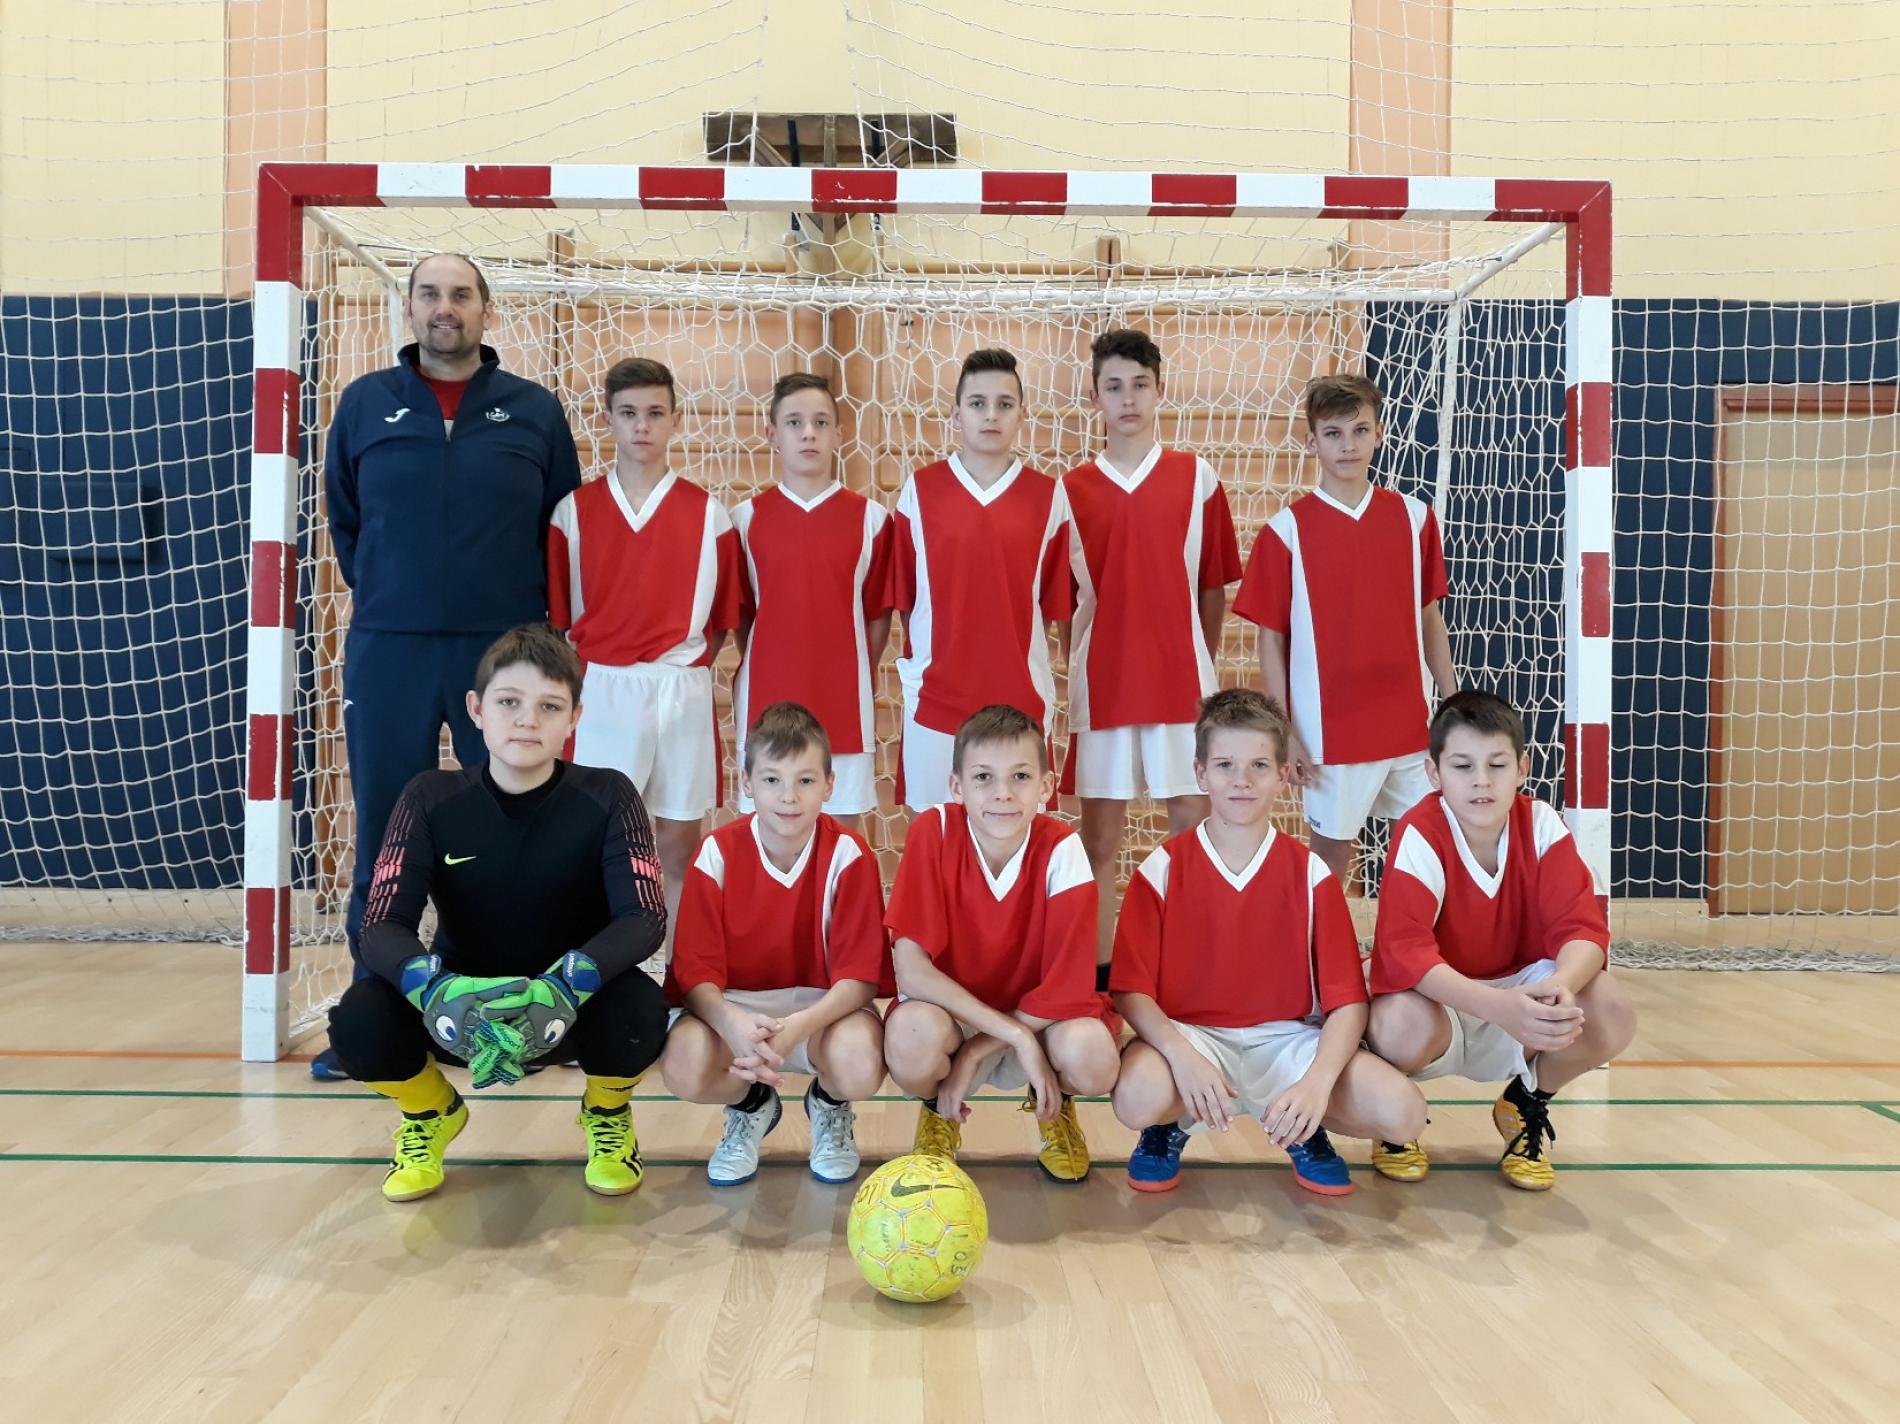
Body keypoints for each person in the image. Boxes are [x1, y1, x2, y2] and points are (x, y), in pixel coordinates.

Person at [317, 253, 582, 1079]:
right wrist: (395, 595)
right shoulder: (365, 403)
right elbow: (346, 520)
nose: (445, 308)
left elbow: (560, 528)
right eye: (429, 294)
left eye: (460, 295)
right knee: (387, 831)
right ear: (409, 308)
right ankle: (377, 1021)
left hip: (501, 655)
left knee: (518, 829)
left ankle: (526, 1016)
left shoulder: (533, 410)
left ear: (486, 311)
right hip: (390, 647)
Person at [324, 623, 669, 1202]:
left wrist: (566, 984)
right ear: (476, 710)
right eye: (509, 702)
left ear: (574, 719)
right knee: (359, 1021)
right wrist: (434, 989)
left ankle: (607, 1114)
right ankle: (431, 1112)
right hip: (461, 1008)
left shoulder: (609, 795)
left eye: (549, 706)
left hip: (568, 1006)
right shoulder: (429, 797)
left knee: (642, 1010)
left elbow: (644, 918)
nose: (527, 720)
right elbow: (380, 925)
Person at [1110, 689, 1427, 1196]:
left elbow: (1348, 1003)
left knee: (1404, 1113)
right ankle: (1169, 1124)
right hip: (1194, 1038)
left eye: (1259, 765)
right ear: (1200, 773)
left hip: (1288, 1043)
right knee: (1136, 1097)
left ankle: (1304, 1125)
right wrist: (1180, 1055)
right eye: (1226, 765)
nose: (1242, 780)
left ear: (1282, 775)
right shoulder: (1162, 869)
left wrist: (1317, 1084)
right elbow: (1130, 990)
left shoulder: (1311, 873)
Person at [1365, 690, 1637, 1190]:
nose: (1481, 781)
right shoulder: (1421, 831)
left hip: (1520, 992)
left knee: (1610, 1007)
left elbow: (1583, 930)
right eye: (1463, 766)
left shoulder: (1542, 824)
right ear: (1433, 773)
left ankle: (1526, 1102)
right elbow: (1405, 951)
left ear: (1522, 768)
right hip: (1442, 999)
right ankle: (1393, 1121)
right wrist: (1499, 1007)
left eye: (1497, 765)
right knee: (1399, 1024)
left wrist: (1560, 986)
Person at [1060, 329, 1243, 976]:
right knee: (1099, 839)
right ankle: (1100, 974)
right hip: (1104, 686)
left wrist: (1198, 664)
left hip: (1179, 682)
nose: (1128, 398)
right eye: (1113, 387)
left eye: (1140, 385)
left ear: (1160, 390)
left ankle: (1188, 968)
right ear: (1094, 397)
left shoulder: (1198, 479)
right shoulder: (1069, 490)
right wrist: (1085, 663)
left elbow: (1213, 587)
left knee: (1193, 828)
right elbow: (1061, 604)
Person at [548, 357, 741, 953]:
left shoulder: (709, 514)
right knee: (592, 843)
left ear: (676, 420)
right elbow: (560, 621)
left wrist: (678, 662)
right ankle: (588, 976)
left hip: (680, 688)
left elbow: (724, 621)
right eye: (628, 413)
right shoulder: (572, 512)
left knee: (679, 842)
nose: (642, 426)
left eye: (655, 413)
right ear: (608, 419)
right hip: (603, 690)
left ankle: (680, 977)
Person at [1232, 373, 1457, 886]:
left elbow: (1429, 617)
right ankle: (1325, 941)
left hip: (1409, 726)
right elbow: (1271, 639)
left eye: (1359, 431)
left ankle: (1412, 939)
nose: (1348, 445)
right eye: (1333, 433)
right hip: (1328, 734)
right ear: (1312, 442)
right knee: (1330, 862)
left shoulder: (1415, 518)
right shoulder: (1285, 531)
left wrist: (1452, 702)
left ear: (1379, 434)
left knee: (1424, 854)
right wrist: (1284, 730)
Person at [883, 704, 1120, 1184]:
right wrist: (1008, 1036)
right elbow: (911, 971)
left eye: (1020, 777)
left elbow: (1068, 986)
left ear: (1046, 786)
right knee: (910, 1039)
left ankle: (1055, 1104)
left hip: (1040, 1022)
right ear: (957, 787)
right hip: (956, 1018)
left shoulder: (1063, 849)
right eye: (983, 777)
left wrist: (986, 1048)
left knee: (1093, 1057)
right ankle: (938, 1110)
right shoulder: (934, 831)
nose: (1003, 794)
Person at [658, 703, 890, 1186]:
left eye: (805, 780)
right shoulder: (717, 852)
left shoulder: (850, 854)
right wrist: (733, 1023)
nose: (788, 796)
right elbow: (694, 973)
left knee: (860, 1061)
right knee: (683, 1064)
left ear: (829, 785)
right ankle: (751, 1106)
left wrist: (795, 1028)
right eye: (771, 780)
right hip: (737, 1010)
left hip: (821, 1011)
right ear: (746, 783)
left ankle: (829, 1104)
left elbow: (860, 979)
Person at [886, 348, 1072, 810]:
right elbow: (907, 601)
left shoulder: (1049, 496)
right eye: (977, 403)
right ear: (956, 415)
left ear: (1022, 415)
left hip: (1020, 703)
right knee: (935, 835)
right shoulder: (920, 490)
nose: (991, 414)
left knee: (1017, 836)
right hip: (937, 701)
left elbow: (1052, 608)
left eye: (1004, 404)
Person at [730, 373, 894, 830]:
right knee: (765, 842)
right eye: (795, 422)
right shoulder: (744, 520)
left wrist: (850, 669)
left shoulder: (872, 520)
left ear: (838, 435)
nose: (808, 433)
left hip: (844, 710)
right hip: (765, 709)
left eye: (821, 423)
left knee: (843, 842)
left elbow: (877, 617)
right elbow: (743, 618)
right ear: (772, 434)